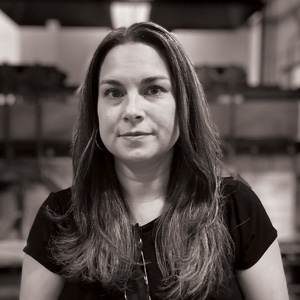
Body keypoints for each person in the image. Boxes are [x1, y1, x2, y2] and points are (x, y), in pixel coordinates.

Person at [20, 22, 289, 300]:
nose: (132, 110)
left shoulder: (235, 209)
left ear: (183, 104)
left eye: (153, 90)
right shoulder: (60, 219)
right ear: (95, 109)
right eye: (114, 92)